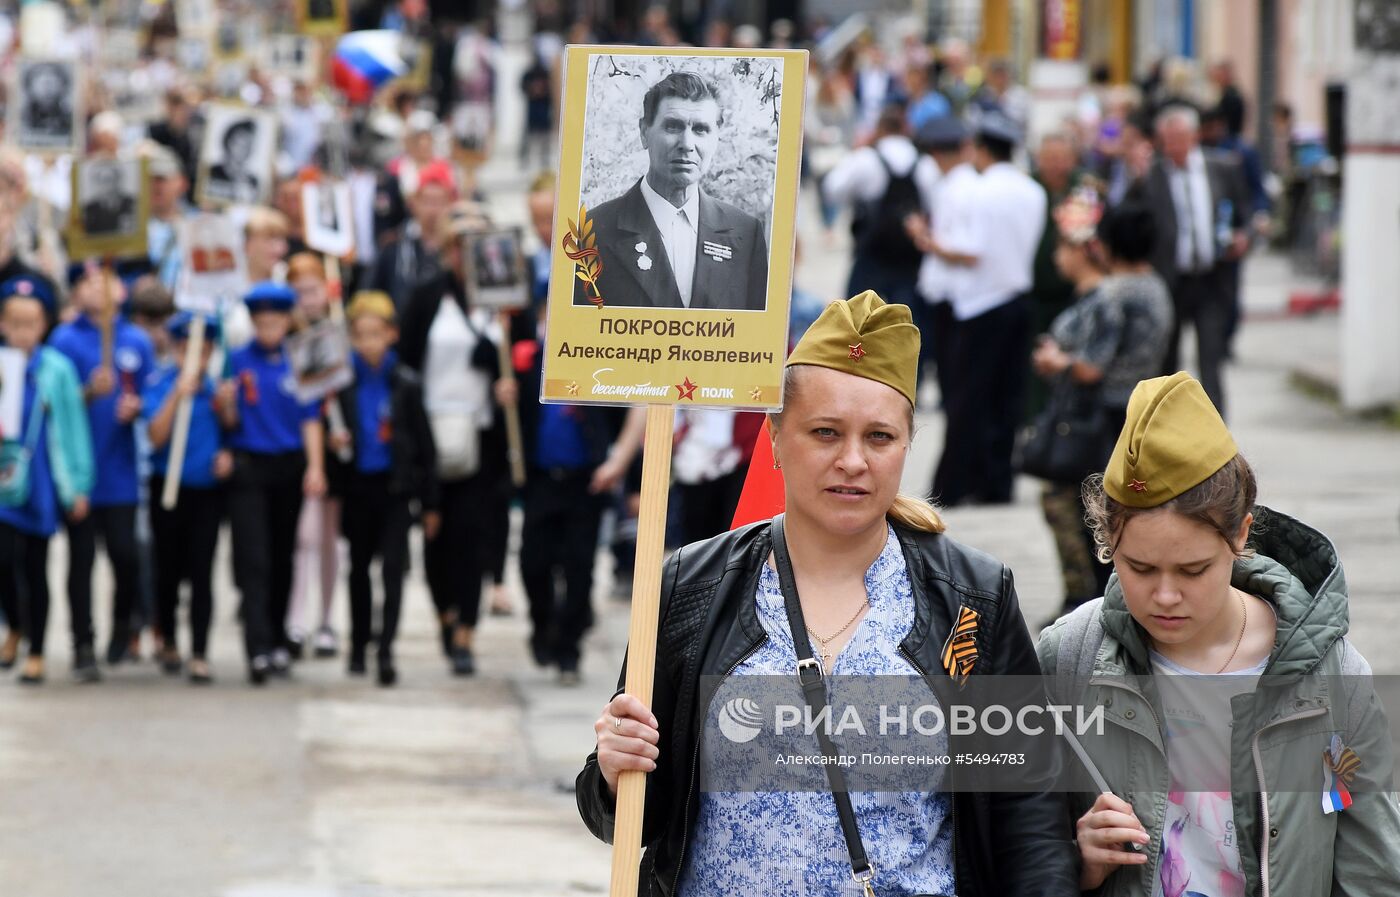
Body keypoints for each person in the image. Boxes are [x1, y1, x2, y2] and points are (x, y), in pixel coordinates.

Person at [577, 290, 1077, 895]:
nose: (852, 460)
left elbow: (1027, 815)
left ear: (907, 444)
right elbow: (631, 813)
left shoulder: (971, 597)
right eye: (825, 432)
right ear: (775, 438)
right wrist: (613, 771)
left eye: (879, 438)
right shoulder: (691, 586)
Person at [1038, 371, 1400, 896]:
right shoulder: (1068, 656)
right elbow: (1014, 847)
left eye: (1192, 570)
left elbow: (1374, 873)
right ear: (1106, 538)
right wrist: (1076, 862)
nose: (1164, 595)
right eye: (1138, 568)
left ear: (1241, 534)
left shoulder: (1334, 677)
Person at [1031, 200, 1173, 621]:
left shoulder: (1113, 295)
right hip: (1143, 413)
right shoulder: (1157, 288)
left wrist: (1056, 361)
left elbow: (1091, 368)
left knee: (1087, 509)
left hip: (1104, 418)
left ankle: (1089, 601)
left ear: (1108, 245)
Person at [914, 112, 1046, 507]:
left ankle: (953, 486)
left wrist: (928, 242)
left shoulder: (979, 190)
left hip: (978, 305)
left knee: (966, 401)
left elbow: (969, 252)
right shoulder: (1032, 190)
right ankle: (997, 482)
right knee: (1007, 400)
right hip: (1018, 300)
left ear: (983, 149)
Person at [398, 214, 509, 676]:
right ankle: (445, 611)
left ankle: (466, 627)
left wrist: (507, 380)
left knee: (472, 536)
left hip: (482, 436)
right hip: (432, 433)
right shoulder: (428, 298)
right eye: (458, 246)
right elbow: (405, 362)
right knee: (436, 534)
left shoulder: (503, 300)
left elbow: (523, 362)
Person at [573, 71, 769, 311]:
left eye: (700, 129)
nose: (687, 144)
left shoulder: (746, 233)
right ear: (644, 132)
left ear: (716, 138)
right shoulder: (593, 232)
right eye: (673, 127)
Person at [324, 292, 439, 685]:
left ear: (390, 335)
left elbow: (424, 445)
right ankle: (357, 645)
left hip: (395, 490)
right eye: (361, 335)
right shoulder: (341, 382)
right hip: (358, 487)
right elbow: (331, 428)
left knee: (392, 572)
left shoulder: (405, 382)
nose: (369, 343)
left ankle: (385, 648)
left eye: (376, 334)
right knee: (358, 569)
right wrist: (333, 444)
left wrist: (430, 502)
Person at [48, 261, 156, 676]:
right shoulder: (64, 341)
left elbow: (151, 393)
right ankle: (83, 643)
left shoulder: (135, 341)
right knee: (80, 560)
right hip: (79, 471)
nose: (97, 288)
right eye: (87, 282)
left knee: (126, 556)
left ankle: (122, 625)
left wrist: (138, 407)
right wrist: (87, 392)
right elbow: (53, 400)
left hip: (120, 469)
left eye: (104, 280)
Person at [225, 282, 327, 684]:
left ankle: (281, 638)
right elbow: (229, 421)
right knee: (254, 559)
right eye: (260, 321)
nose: (268, 328)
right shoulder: (235, 361)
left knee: (285, 555)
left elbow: (311, 416)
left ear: (287, 321)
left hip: (288, 465)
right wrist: (225, 403)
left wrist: (315, 466)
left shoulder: (301, 359)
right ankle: (257, 646)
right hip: (250, 465)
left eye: (275, 321)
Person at [0, 277, 93, 685]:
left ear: (44, 325)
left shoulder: (57, 369)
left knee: (36, 567)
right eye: (14, 322)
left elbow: (74, 429)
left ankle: (36, 648)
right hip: (3, 479)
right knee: (4, 562)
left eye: (31, 323)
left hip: (38, 480)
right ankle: (15, 625)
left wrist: (78, 485)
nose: (22, 331)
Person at [1130, 106, 1250, 417]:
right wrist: (1135, 178)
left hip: (1211, 278)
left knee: (1211, 360)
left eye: (1180, 139)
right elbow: (1132, 217)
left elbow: (1243, 213)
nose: (1174, 147)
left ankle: (1217, 439)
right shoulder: (1153, 174)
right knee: (1166, 362)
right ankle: (1162, 431)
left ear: (1194, 136)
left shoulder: (1221, 167)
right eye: (1167, 140)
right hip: (1171, 280)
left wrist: (1243, 236)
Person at [143, 312, 234, 684]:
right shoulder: (160, 383)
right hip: (168, 489)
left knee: (201, 572)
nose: (195, 357)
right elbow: (155, 436)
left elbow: (231, 431)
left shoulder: (216, 390)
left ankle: (199, 651)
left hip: (205, 494)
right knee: (167, 571)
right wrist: (177, 394)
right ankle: (168, 640)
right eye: (187, 349)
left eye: (203, 350)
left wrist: (227, 412)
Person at [822, 101, 939, 307]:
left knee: (857, 321)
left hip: (871, 253)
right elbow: (936, 205)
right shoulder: (925, 163)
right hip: (909, 258)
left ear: (879, 129)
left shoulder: (866, 158)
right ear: (906, 129)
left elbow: (831, 189)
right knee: (905, 325)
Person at [284, 253, 341, 660]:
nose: (306, 298)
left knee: (330, 538)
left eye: (313, 289)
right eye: (298, 291)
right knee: (303, 535)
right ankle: (296, 616)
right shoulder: (286, 337)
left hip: (334, 443)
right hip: (299, 444)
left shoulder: (338, 332)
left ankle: (327, 619)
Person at [907, 115, 976, 401]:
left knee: (949, 367)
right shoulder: (960, 183)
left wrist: (924, 238)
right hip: (952, 289)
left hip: (951, 290)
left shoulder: (956, 188)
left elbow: (965, 249)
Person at [208, 119, 263, 205]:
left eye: (248, 145)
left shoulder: (253, 181)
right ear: (229, 142)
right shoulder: (211, 172)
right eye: (240, 143)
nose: (243, 150)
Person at [21, 61, 72, 142]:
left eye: (52, 82)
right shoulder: (23, 118)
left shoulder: (68, 118)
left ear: (63, 87)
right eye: (41, 82)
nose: (47, 89)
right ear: (30, 87)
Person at [81, 163, 136, 237]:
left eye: (112, 179)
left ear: (117, 180)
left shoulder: (130, 202)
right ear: (99, 183)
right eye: (104, 180)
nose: (109, 185)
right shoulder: (90, 208)